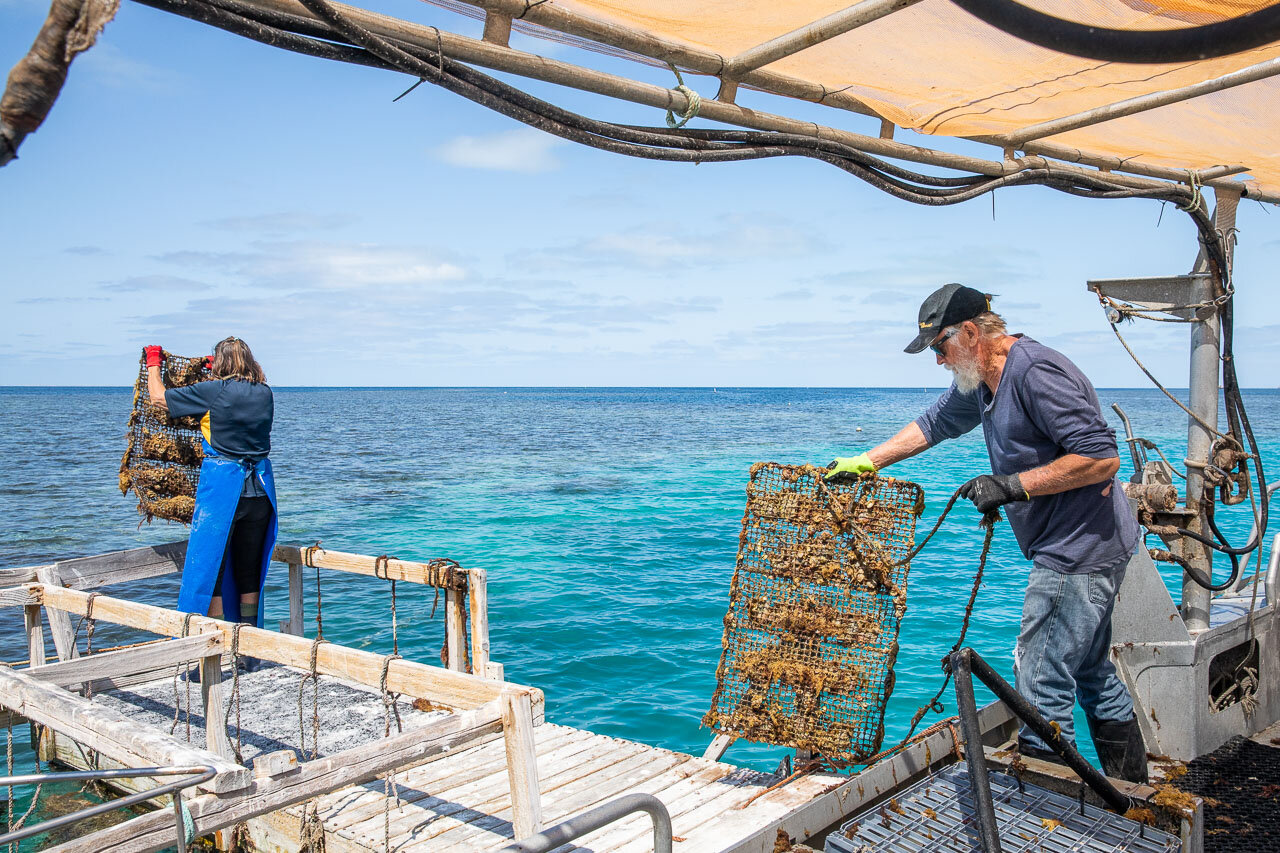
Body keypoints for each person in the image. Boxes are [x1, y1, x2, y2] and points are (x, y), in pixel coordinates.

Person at [828, 283, 1147, 783]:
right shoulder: (982, 380)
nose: (937, 360)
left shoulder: (1036, 373)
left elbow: (1102, 458)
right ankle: (1133, 794)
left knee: (1040, 683)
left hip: (1076, 552)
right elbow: (934, 424)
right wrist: (868, 461)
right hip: (1092, 542)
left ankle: (1049, 816)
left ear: (972, 332)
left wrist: (1012, 485)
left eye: (940, 347)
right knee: (1092, 672)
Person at [145, 338, 277, 652]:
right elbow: (247, 379)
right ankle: (249, 648)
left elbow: (158, 399)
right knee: (248, 571)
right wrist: (221, 367)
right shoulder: (265, 393)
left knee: (211, 571)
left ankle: (212, 646)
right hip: (260, 493)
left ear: (219, 365)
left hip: (224, 491)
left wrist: (153, 363)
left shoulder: (214, 391)